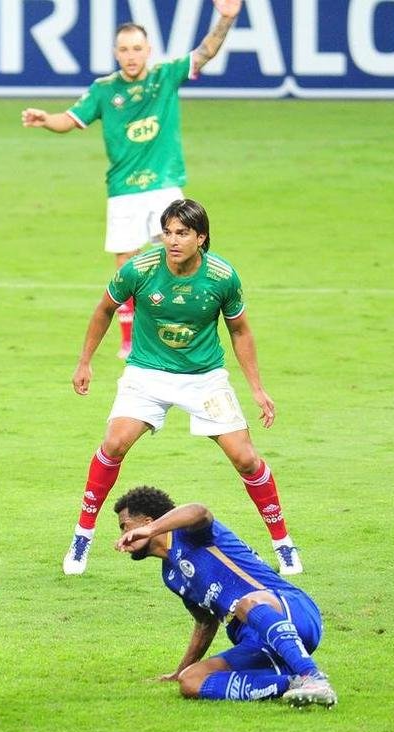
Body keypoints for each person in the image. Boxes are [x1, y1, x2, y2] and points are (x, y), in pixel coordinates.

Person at [64, 198, 300, 576]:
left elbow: (239, 330)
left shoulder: (222, 277)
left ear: (200, 238)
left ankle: (283, 543)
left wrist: (257, 388)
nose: (172, 241)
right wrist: (85, 362)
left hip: (204, 378)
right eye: (168, 232)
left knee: (246, 458)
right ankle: (82, 535)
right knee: (113, 443)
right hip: (146, 373)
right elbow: (104, 309)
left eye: (182, 233)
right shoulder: (139, 269)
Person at [21, 1, 242, 359]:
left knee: (181, 256)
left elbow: (205, 52)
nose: (131, 55)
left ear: (148, 50)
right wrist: (45, 118)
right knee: (127, 266)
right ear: (115, 53)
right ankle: (130, 340)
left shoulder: (164, 76)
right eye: (124, 49)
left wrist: (227, 18)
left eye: (137, 48)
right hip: (123, 190)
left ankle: (188, 325)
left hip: (164, 188)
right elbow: (70, 120)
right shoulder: (105, 90)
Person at [112, 485, 335, 707]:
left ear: (148, 522)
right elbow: (205, 623)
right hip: (255, 642)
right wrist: (179, 671)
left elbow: (199, 510)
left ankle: (313, 676)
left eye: (125, 527)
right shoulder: (170, 575)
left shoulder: (190, 532)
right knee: (190, 681)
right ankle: (291, 684)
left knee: (246, 604)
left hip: (291, 611)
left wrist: (151, 531)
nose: (123, 537)